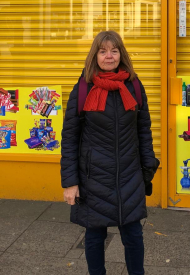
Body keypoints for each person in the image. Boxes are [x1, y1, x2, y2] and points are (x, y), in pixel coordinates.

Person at [61, 30, 159, 275]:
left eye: (114, 51)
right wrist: (70, 182)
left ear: (121, 54)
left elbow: (143, 130)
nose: (109, 56)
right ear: (95, 55)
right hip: (94, 177)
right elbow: (70, 137)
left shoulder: (134, 85)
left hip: (129, 174)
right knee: (95, 236)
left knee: (134, 235)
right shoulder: (83, 88)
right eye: (103, 51)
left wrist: (148, 170)